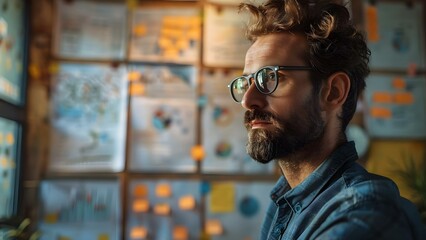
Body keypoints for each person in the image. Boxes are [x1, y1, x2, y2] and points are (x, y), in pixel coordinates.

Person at [227, 0, 426, 239]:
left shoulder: (364, 212)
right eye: (246, 82)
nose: (248, 100)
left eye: (270, 78)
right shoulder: (286, 200)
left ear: (333, 92)